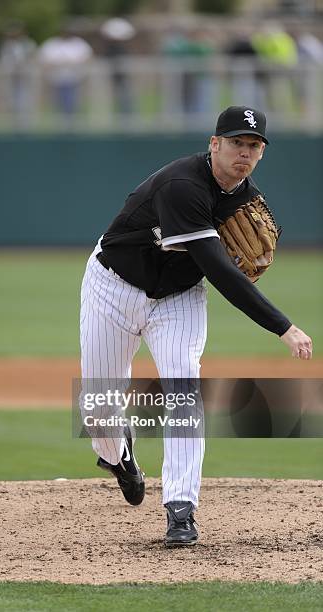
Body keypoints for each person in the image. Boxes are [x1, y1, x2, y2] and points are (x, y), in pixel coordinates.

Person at [79, 106, 312, 547]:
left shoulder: (247, 199)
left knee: (183, 391)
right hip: (113, 287)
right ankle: (117, 455)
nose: (244, 153)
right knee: (98, 406)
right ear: (214, 144)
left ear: (261, 153)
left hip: (179, 299)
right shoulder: (183, 185)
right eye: (236, 143)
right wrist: (283, 326)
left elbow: (219, 269)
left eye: (254, 145)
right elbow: (222, 273)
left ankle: (181, 510)